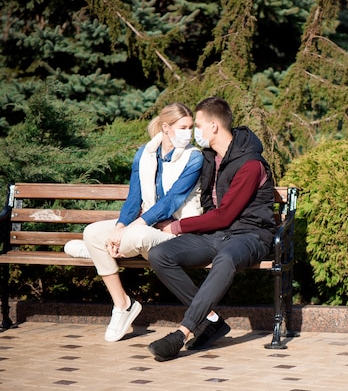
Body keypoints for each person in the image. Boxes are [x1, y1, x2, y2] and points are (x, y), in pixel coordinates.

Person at [145, 96, 276, 362]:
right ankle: (211, 320)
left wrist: (178, 226)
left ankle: (183, 332)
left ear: (214, 126)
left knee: (225, 258)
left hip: (251, 236)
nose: (195, 132)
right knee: (160, 255)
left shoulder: (250, 164)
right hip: (218, 235)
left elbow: (225, 215)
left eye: (200, 124)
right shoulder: (209, 158)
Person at [64, 103, 204, 342]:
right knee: (92, 232)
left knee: (134, 236)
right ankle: (123, 304)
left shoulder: (194, 158)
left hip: (174, 233)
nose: (188, 133)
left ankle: (100, 253)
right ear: (166, 127)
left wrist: (133, 226)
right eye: (183, 127)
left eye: (190, 127)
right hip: (144, 224)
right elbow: (134, 197)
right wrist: (120, 226)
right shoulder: (144, 153)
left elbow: (171, 202)